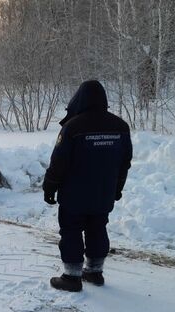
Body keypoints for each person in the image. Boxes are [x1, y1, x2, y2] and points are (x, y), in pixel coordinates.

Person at [43, 80, 133, 292]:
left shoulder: (73, 127)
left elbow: (59, 162)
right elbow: (125, 162)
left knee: (71, 230)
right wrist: (118, 188)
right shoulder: (121, 127)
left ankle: (71, 278)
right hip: (104, 193)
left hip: (75, 194)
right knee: (98, 228)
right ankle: (94, 272)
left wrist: (49, 187)